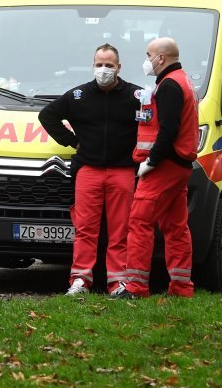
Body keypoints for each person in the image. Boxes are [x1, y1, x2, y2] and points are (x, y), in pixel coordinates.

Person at [38, 44, 142, 296]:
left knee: (120, 230)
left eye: (109, 65)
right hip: (88, 170)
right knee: (85, 229)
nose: (104, 69)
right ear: (92, 65)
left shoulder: (136, 95)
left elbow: (153, 124)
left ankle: (117, 282)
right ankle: (81, 280)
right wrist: (72, 141)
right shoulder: (79, 95)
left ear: (119, 67)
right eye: (99, 64)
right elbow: (47, 115)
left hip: (123, 171)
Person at [112, 37, 198, 299]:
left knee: (139, 221)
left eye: (149, 55)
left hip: (165, 165)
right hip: (179, 165)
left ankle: (136, 287)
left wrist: (151, 162)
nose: (147, 60)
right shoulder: (181, 80)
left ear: (161, 58)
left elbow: (168, 129)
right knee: (176, 226)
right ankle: (182, 287)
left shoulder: (170, 84)